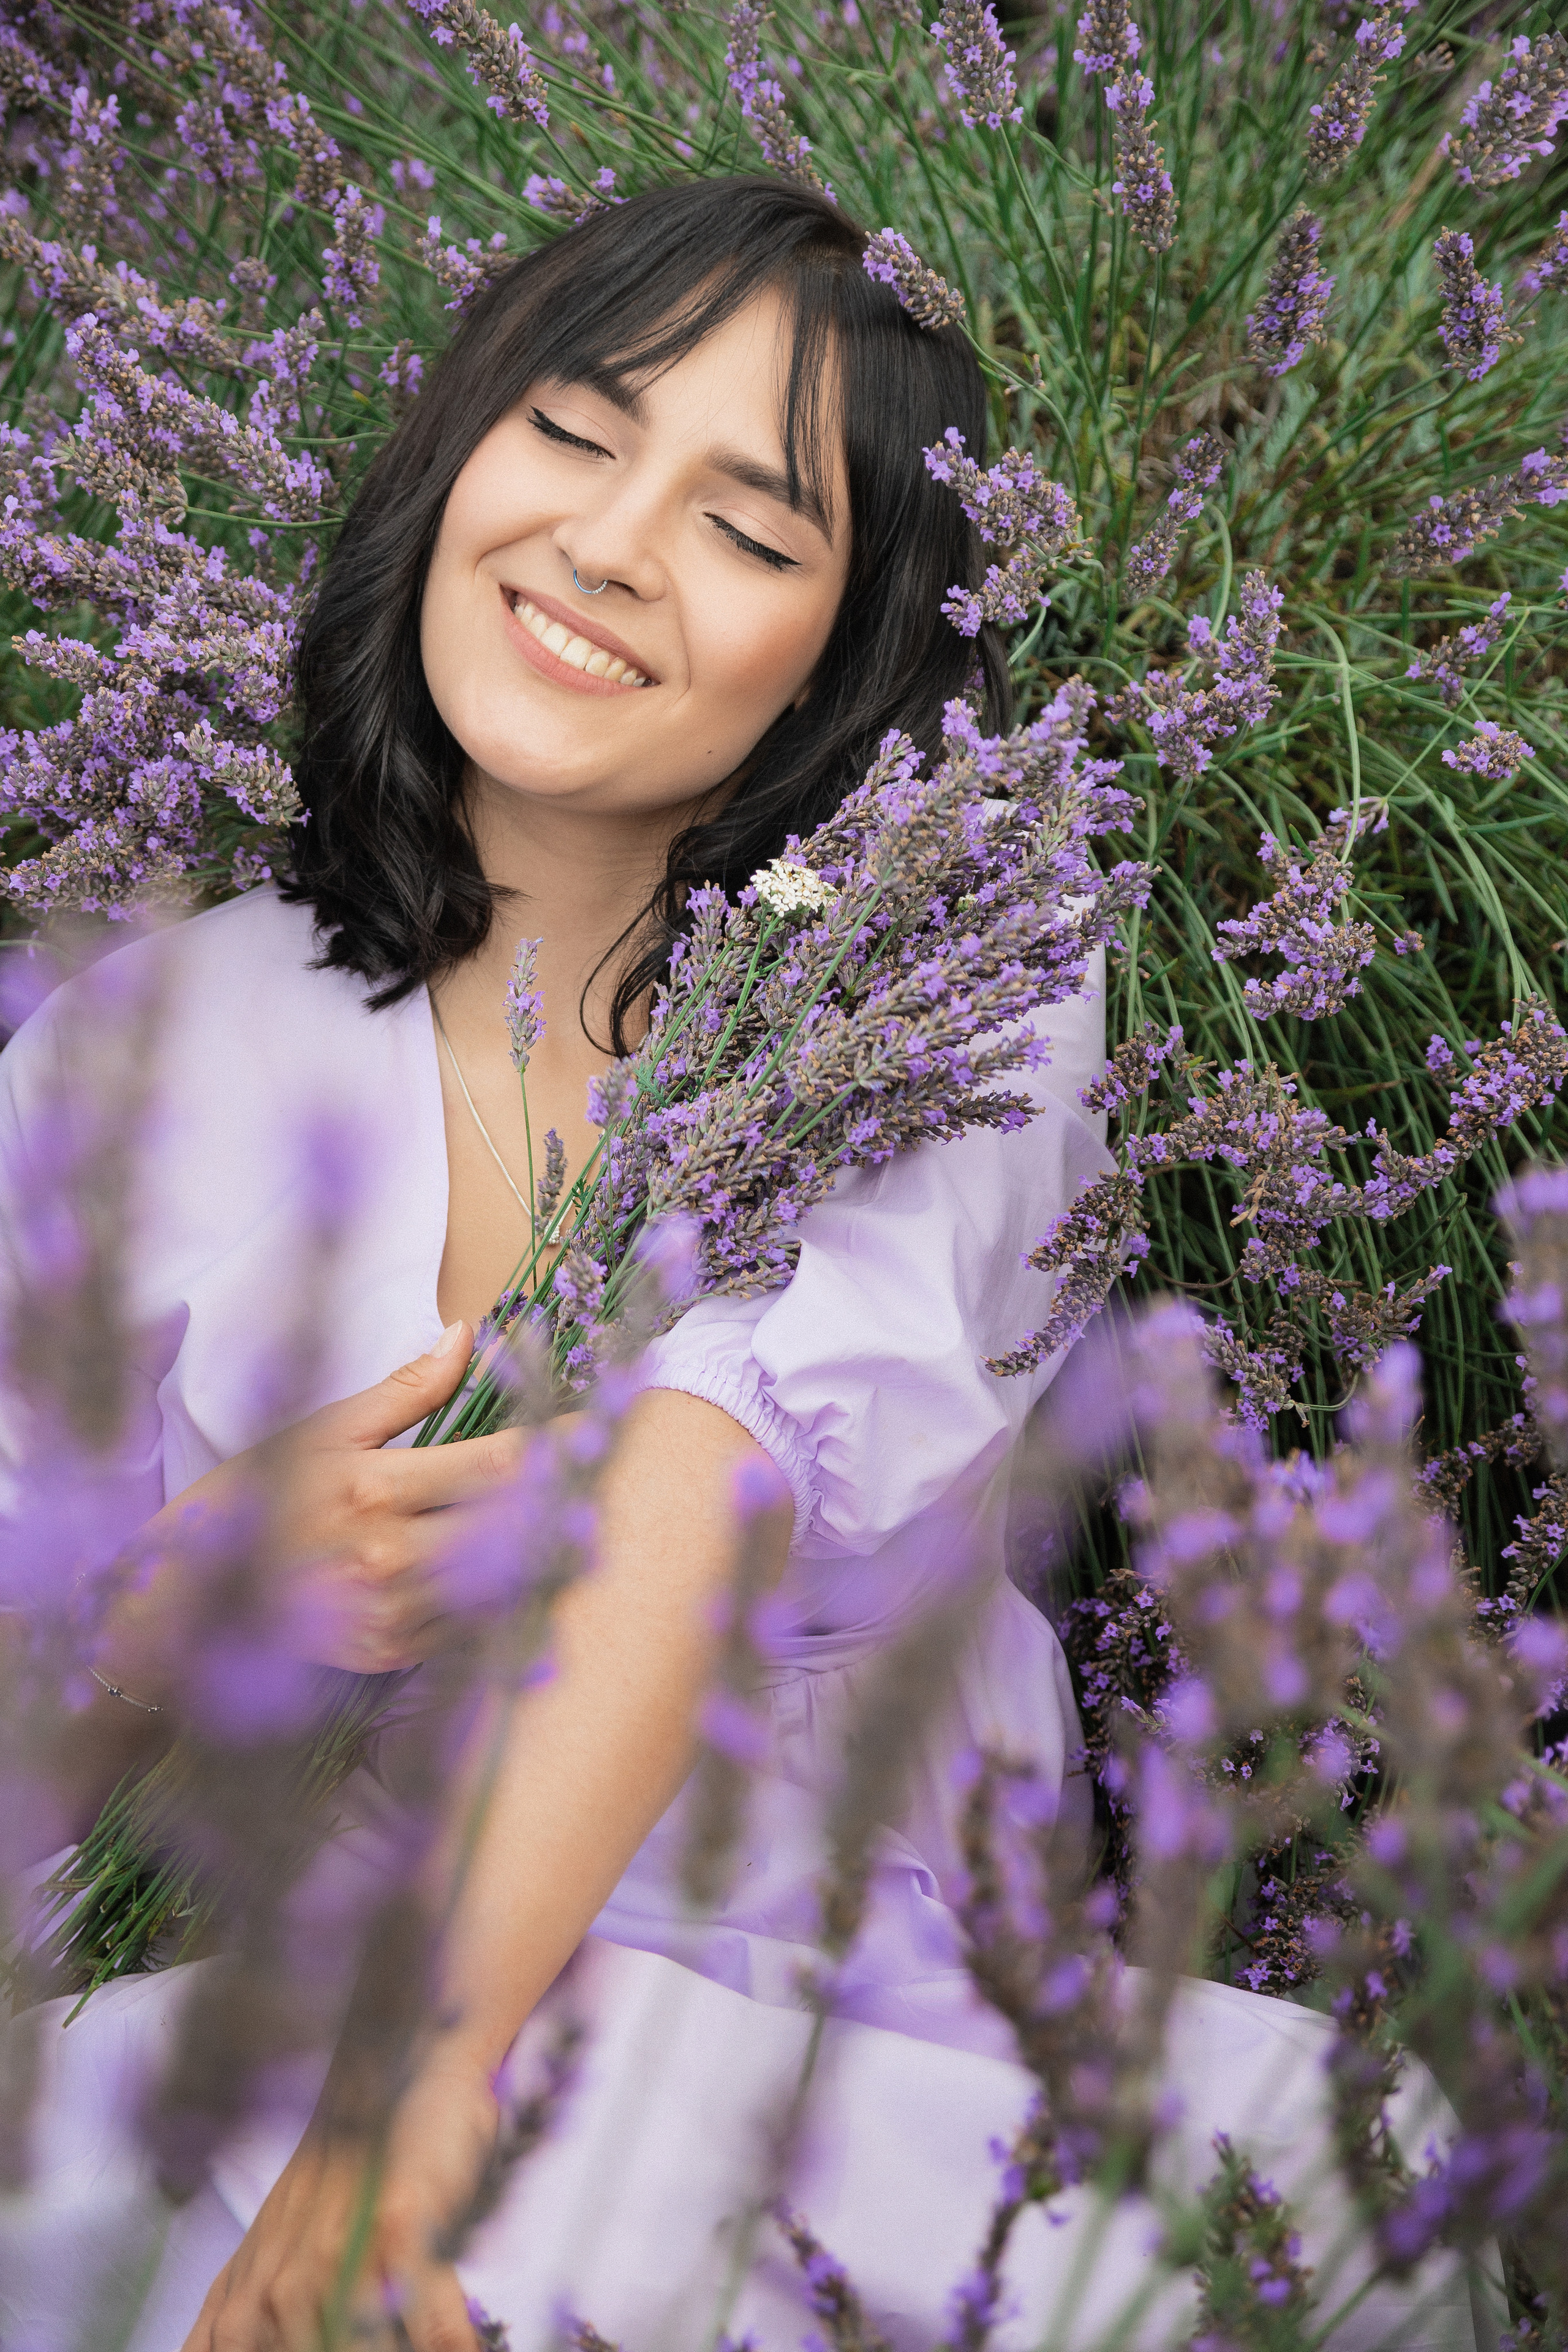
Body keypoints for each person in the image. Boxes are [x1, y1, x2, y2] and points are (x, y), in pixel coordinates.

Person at [0, 179, 1486, 2352]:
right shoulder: (138, 1042)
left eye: (750, 529)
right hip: (247, 2022)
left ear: (857, 645)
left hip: (823, 2033)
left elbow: (698, 1481)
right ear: (453, 454)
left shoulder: (951, 961)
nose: (611, 545)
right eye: (571, 433)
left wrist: (399, 2114)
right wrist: (170, 1618)